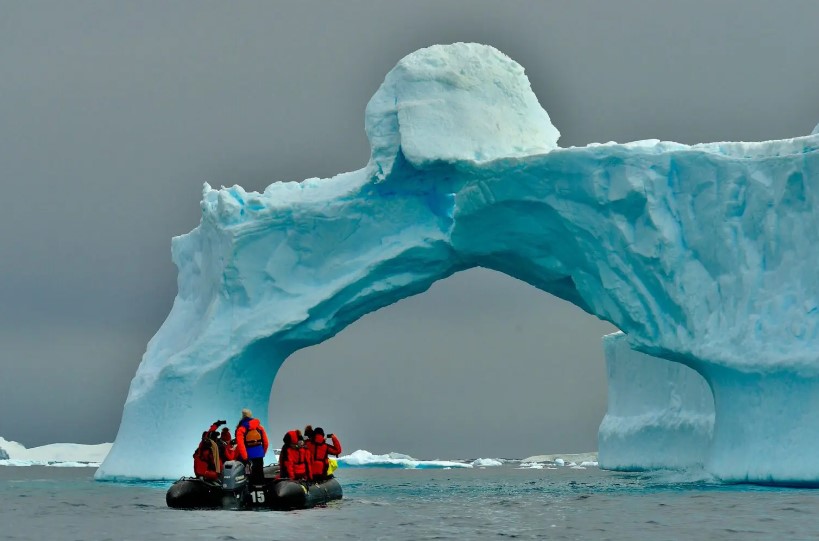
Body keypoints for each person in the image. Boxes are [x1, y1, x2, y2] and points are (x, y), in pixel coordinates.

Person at [235, 408, 269, 485]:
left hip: (248, 457)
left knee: (248, 476)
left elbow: (241, 445)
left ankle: (250, 493)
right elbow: (266, 442)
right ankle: (261, 492)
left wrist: (245, 457)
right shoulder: (260, 427)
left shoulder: (241, 428)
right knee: (259, 474)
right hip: (259, 455)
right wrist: (262, 453)